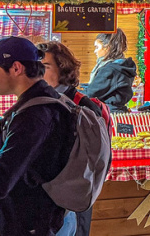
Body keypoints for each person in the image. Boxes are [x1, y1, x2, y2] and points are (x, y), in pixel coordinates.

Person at [0, 37, 75, 236]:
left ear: (16, 68)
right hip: (45, 219)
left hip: (35, 224)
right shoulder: (45, 103)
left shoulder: (33, 116)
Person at [40, 42, 103, 236]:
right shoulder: (42, 101)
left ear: (63, 68)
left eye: (45, 66)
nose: (38, 71)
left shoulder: (81, 106)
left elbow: (94, 161)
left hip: (68, 206)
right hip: (46, 203)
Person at [86, 29, 136, 112]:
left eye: (97, 47)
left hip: (108, 114)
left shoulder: (111, 70)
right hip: (118, 113)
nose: (95, 51)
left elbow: (91, 93)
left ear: (107, 48)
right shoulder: (121, 65)